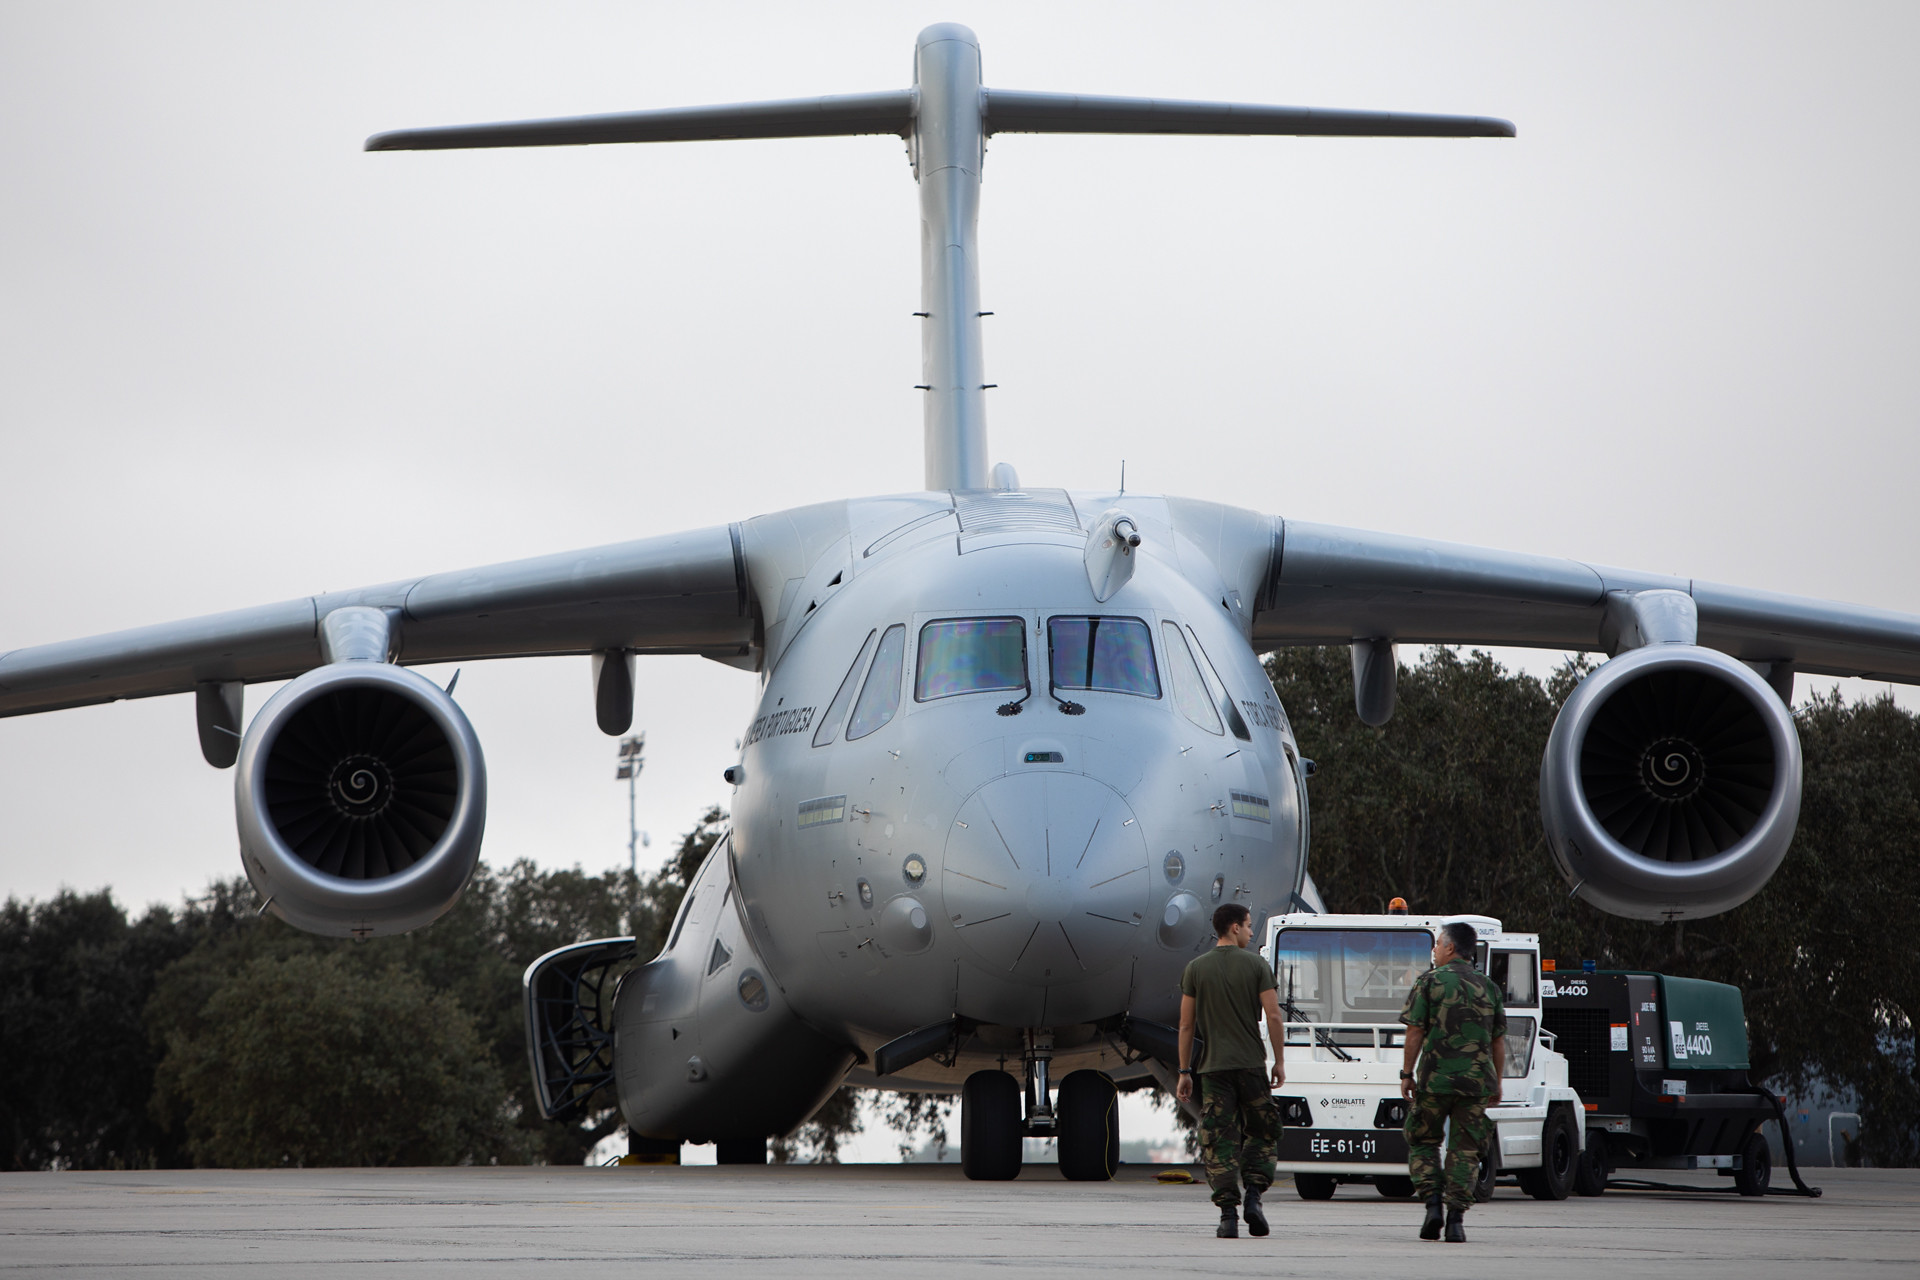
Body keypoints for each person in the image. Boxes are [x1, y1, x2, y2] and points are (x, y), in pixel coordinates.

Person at [1176, 902, 1286, 1239]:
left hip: (1214, 1070)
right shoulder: (1256, 965)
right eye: (1249, 926)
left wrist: (1184, 1071)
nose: (1251, 932)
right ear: (1234, 927)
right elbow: (1274, 1015)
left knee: (1219, 1141)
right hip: (1251, 1066)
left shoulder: (1196, 969)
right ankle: (1253, 1195)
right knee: (1262, 1133)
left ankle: (1228, 1216)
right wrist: (1279, 1061)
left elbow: (1186, 1025)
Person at [1398, 919, 1507, 1243]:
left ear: (1450, 947)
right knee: (1466, 1150)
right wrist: (1497, 1082)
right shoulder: (1489, 987)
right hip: (1475, 1085)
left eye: (1437, 943)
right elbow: (1498, 1041)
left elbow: (1414, 1032)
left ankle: (1433, 1206)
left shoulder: (1429, 982)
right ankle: (1456, 1220)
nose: (1434, 950)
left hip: (1435, 1082)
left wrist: (1406, 1073)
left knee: (1423, 1141)